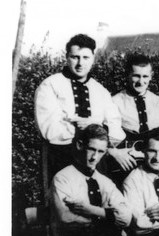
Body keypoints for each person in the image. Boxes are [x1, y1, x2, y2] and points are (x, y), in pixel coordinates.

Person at [34, 34, 125, 182]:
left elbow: (116, 131)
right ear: (67, 57)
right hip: (61, 158)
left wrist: (94, 127)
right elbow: (49, 130)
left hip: (97, 163)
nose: (80, 63)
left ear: (93, 58)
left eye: (85, 58)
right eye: (75, 57)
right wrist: (78, 129)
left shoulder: (101, 91)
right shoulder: (50, 85)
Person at [110, 54, 159, 180]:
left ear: (151, 76)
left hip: (153, 169)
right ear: (128, 75)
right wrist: (113, 152)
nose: (141, 81)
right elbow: (99, 136)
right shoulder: (114, 102)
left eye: (145, 76)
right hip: (124, 168)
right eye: (136, 76)